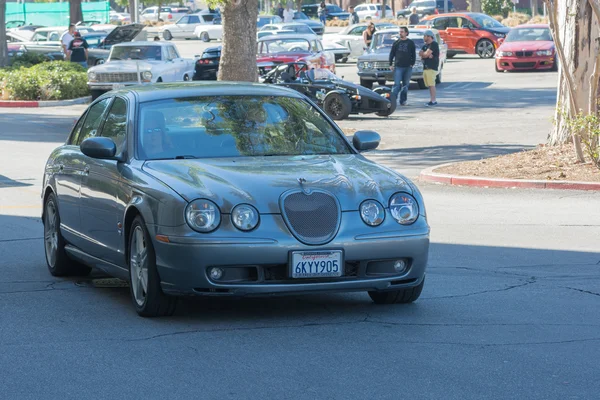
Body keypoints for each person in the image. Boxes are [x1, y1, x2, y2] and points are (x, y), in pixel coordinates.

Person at [389, 26, 415, 106]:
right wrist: (390, 64)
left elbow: (413, 54)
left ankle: (403, 101)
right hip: (398, 67)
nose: (400, 33)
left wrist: (412, 63)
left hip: (408, 67)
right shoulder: (396, 43)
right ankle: (392, 101)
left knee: (405, 85)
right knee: (396, 85)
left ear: (406, 33)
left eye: (402, 32)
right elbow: (392, 54)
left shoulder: (410, 43)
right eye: (400, 32)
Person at [419, 30, 439, 106]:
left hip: (431, 67)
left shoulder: (433, 44)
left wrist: (425, 55)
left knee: (431, 84)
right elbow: (420, 53)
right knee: (428, 85)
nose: (423, 38)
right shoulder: (425, 45)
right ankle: (431, 99)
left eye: (424, 36)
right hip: (425, 67)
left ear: (429, 36)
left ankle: (433, 100)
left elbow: (426, 54)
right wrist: (425, 55)